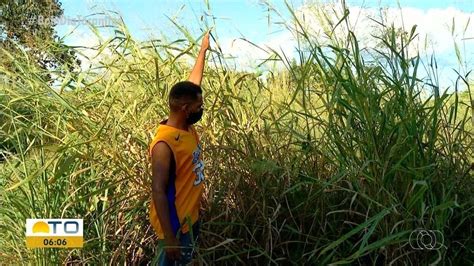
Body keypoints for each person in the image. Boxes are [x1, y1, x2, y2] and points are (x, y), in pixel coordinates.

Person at [149, 31, 210, 265]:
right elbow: (158, 192)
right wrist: (170, 238)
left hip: (190, 219)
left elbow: (193, 83)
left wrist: (203, 50)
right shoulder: (165, 145)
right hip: (176, 229)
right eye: (199, 106)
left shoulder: (185, 125)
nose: (201, 110)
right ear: (186, 108)